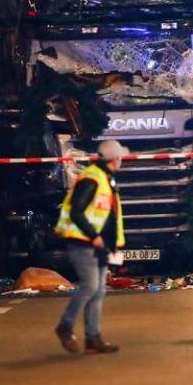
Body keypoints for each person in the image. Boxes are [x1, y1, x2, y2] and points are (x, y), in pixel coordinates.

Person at [54, 140, 126, 355]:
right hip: (83, 242)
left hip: (99, 244)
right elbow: (77, 211)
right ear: (116, 159)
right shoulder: (93, 178)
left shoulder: (105, 178)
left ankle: (93, 337)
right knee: (90, 286)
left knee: (99, 290)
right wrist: (93, 236)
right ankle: (65, 327)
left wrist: (111, 244)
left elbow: (108, 216)